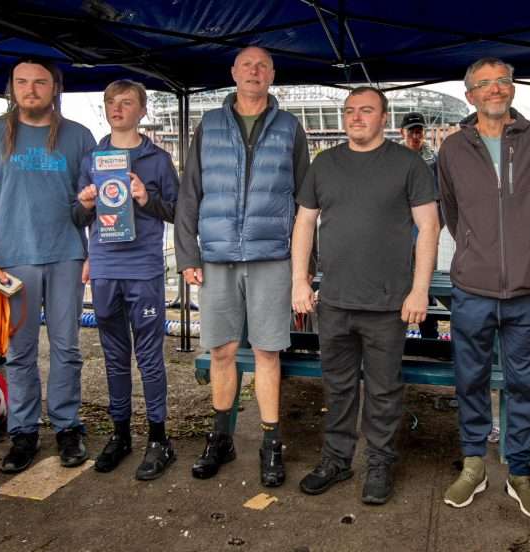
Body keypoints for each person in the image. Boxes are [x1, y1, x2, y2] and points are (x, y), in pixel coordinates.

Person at [292, 86, 439, 505]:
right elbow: (304, 224)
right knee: (337, 387)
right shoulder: (324, 164)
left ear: (383, 117)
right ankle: (337, 460)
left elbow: (429, 228)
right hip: (335, 300)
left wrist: (420, 290)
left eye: (366, 110)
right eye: (350, 111)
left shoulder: (409, 164)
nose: (356, 117)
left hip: (388, 303)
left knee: (383, 390)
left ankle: (379, 464)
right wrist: (300, 281)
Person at [174, 46, 310, 487]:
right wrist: (188, 257)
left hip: (273, 257)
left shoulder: (291, 128)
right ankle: (221, 437)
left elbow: (305, 202)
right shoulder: (209, 125)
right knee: (222, 351)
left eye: (263, 65)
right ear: (233, 72)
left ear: (273, 74)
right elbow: (189, 195)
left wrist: (303, 268)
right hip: (216, 257)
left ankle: (271, 442)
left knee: (269, 351)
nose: (254, 71)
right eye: (247, 65)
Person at [438, 57, 530, 519]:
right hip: (472, 288)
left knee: (527, 382)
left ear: (512, 89)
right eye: (483, 84)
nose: (494, 89)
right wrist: (477, 247)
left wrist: (526, 246)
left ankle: (521, 471)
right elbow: (451, 213)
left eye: (502, 81)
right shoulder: (452, 149)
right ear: (470, 96)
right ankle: (473, 464)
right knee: (469, 379)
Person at [0, 58, 95, 473]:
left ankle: (67, 426)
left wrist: (91, 212)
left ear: (54, 87)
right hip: (12, 262)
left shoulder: (78, 136)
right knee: (18, 352)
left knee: (66, 348)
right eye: (22, 82)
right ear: (12, 86)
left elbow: (87, 208)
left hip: (66, 255)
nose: (31, 89)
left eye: (40, 82)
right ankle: (22, 432)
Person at [73, 80, 178, 480]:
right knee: (114, 356)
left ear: (142, 111)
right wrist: (83, 205)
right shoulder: (92, 159)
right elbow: (77, 217)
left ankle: (158, 437)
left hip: (143, 270)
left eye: (127, 102)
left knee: (150, 356)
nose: (118, 109)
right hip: (104, 269)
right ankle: (120, 434)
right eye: (111, 103)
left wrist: (143, 199)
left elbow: (176, 210)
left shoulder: (158, 159)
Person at [399, 112, 441, 340]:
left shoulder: (434, 160)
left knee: (428, 283)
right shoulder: (390, 158)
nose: (416, 136)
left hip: (425, 231)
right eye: (411, 131)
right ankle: (398, 336)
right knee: (398, 284)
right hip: (397, 233)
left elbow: (441, 198)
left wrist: (436, 229)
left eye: (419, 131)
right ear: (402, 133)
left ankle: (429, 336)